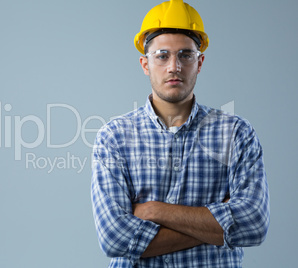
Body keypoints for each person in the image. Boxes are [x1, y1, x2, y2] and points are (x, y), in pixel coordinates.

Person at [91, 0, 270, 267]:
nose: (174, 66)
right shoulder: (114, 137)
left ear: (199, 62)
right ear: (145, 64)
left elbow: (254, 224)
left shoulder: (235, 134)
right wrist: (216, 226)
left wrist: (154, 211)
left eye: (185, 55)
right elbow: (115, 239)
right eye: (162, 55)